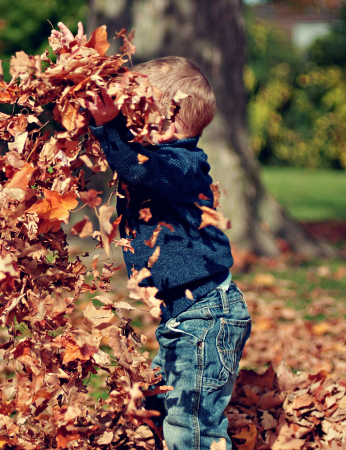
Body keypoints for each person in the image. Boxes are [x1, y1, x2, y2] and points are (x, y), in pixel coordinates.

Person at [55, 22, 253, 449]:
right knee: (158, 402)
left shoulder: (182, 167)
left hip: (206, 318)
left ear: (165, 122)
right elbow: (136, 166)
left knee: (193, 427)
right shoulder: (163, 163)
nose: (125, 119)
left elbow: (139, 168)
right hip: (184, 318)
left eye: (133, 111)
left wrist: (108, 129)